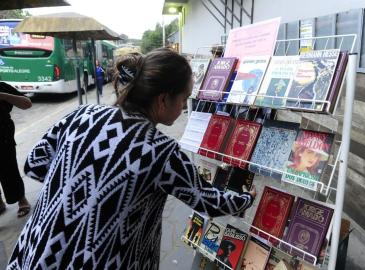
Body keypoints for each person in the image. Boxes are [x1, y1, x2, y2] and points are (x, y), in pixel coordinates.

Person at [7, 48, 256, 270]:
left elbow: (35, 164)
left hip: (39, 253)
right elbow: (209, 202)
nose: (183, 107)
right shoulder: (162, 151)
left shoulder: (82, 114)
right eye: (183, 98)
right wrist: (247, 198)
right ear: (162, 99)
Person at [0, 82, 32, 217]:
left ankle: (21, 199)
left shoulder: (2, 86)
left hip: (3, 135)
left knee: (9, 168)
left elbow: (27, 103)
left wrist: (3, 96)